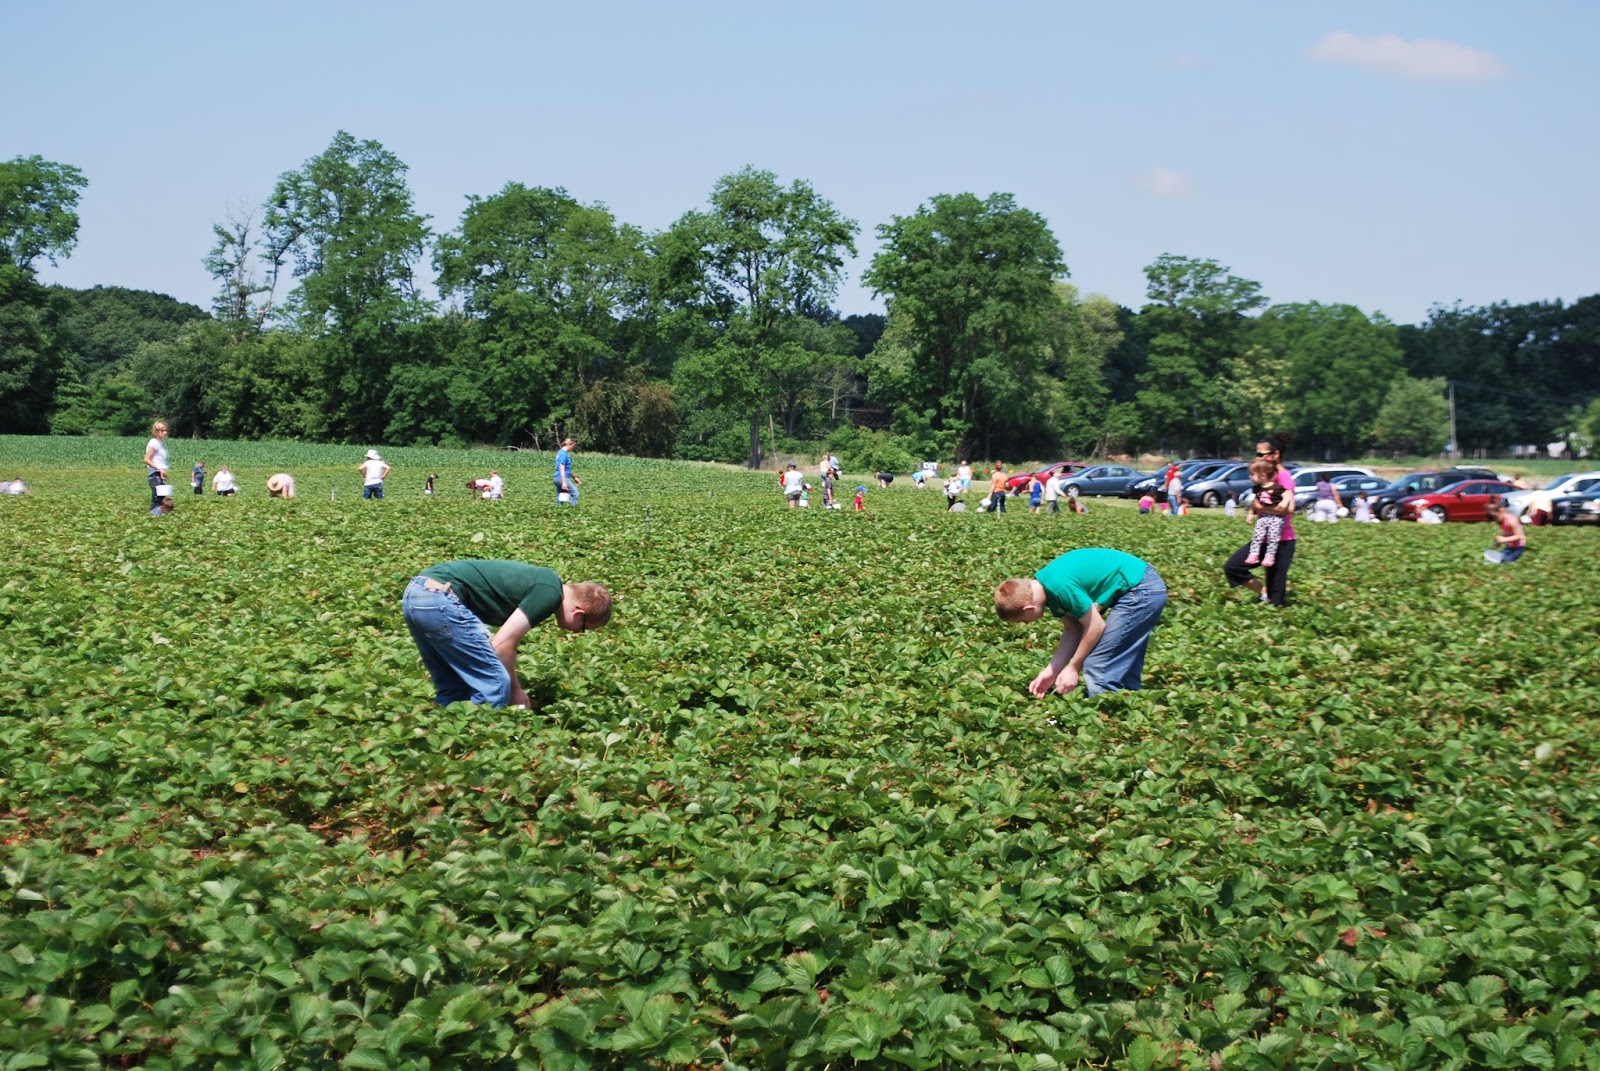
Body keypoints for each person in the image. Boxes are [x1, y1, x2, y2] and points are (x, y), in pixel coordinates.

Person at [403, 560, 612, 707]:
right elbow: (502, 645)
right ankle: (483, 744)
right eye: (582, 628)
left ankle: (449, 741)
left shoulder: (547, 583)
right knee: (495, 682)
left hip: (417, 593)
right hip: (439, 599)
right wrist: (515, 691)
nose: (577, 632)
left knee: (453, 684)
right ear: (579, 613)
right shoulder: (550, 593)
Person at [994, 548, 1167, 697]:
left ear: (1029, 609)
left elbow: (1096, 626)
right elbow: (1073, 628)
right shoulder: (1047, 588)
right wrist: (1052, 670)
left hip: (1141, 589)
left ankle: (1106, 719)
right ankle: (1125, 708)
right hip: (1139, 585)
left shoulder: (1059, 587)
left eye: (1023, 622)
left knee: (1099, 665)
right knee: (1117, 662)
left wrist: (1074, 667)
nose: (1026, 625)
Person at [1224, 433, 1296, 606]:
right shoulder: (1263, 477)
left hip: (1281, 540)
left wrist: (1260, 507)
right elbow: (1257, 502)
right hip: (1264, 537)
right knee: (1233, 567)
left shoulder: (1283, 478)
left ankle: (1274, 603)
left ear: (1275, 454)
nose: (1257, 458)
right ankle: (1264, 592)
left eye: (1261, 454)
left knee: (1277, 592)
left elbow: (1289, 509)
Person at [1243, 458, 1288, 568]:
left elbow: (1287, 495)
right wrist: (1250, 514)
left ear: (1262, 475)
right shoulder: (1257, 489)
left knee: (1273, 537)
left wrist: (1284, 502)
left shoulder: (1276, 487)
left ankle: (1270, 556)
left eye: (1252, 474)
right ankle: (1254, 555)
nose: (1250, 477)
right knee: (1257, 536)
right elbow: (1256, 502)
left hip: (1276, 518)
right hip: (1263, 517)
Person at [143, 420, 170, 509]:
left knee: (161, 501)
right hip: (155, 476)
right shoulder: (154, 442)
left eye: (165, 430)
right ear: (156, 431)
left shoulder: (159, 443)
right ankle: (154, 516)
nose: (165, 432)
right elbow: (146, 459)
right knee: (158, 502)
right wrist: (160, 469)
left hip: (159, 476)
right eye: (162, 430)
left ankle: (157, 517)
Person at [554, 437, 581, 504]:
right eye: (573, 446)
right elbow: (561, 468)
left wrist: (574, 477)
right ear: (570, 444)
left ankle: (558, 511)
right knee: (575, 494)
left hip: (557, 478)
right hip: (562, 478)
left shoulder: (560, 452)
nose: (572, 449)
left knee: (561, 497)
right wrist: (564, 482)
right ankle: (571, 512)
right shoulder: (563, 454)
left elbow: (567, 468)